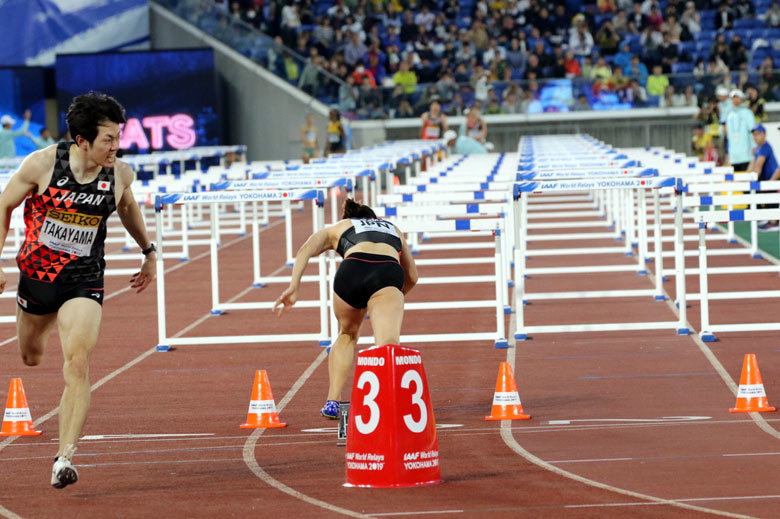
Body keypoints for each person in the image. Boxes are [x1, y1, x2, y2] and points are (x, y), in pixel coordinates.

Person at [0, 92, 156, 489]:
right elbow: (3, 207)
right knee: (31, 356)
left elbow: (126, 207)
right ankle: (48, 321)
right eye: (108, 139)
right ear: (82, 140)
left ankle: (64, 457)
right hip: (37, 278)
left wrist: (148, 252)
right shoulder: (42, 165)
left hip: (83, 280)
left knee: (79, 363)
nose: (116, 146)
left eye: (118, 137)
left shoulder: (119, 173)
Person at [273, 199, 418, 418]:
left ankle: (333, 402)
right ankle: (388, 405)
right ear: (373, 218)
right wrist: (389, 298)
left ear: (350, 219)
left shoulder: (338, 227)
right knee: (387, 346)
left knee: (347, 334)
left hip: (351, 271)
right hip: (387, 273)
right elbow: (413, 277)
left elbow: (305, 250)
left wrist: (294, 286)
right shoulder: (392, 229)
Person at [747, 124, 780, 231]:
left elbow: (758, 167)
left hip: (773, 178)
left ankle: (773, 222)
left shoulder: (765, 147)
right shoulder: (758, 148)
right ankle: (768, 218)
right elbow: (753, 165)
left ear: (764, 135)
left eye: (758, 134)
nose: (755, 137)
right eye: (754, 135)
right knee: (765, 194)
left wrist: (770, 182)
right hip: (770, 178)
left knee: (770, 196)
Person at [724, 89, 755, 171]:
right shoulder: (730, 115)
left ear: (742, 99)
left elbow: (752, 131)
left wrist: (754, 146)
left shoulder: (747, 113)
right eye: (733, 98)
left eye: (737, 97)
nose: (735, 100)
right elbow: (729, 136)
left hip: (746, 153)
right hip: (734, 154)